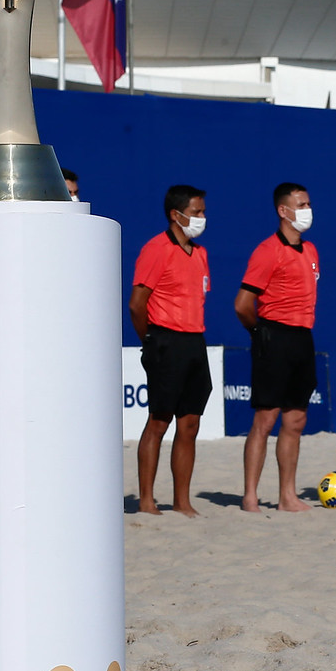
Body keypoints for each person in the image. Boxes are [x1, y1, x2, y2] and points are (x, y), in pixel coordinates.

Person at [237, 181, 320, 512]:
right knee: (265, 419)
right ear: (282, 211)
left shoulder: (311, 250)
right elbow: (243, 303)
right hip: (274, 335)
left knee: (296, 419)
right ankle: (250, 496)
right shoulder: (267, 250)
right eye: (300, 205)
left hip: (302, 337)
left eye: (308, 203)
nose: (307, 210)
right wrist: (259, 332)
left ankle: (288, 495)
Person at [129, 184, 211, 516]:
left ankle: (182, 500)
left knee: (190, 422)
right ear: (176, 215)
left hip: (195, 341)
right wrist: (150, 340)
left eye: (203, 211)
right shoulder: (156, 248)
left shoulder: (200, 253)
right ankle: (146, 500)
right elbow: (137, 304)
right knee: (159, 420)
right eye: (196, 212)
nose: (202, 218)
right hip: (164, 339)